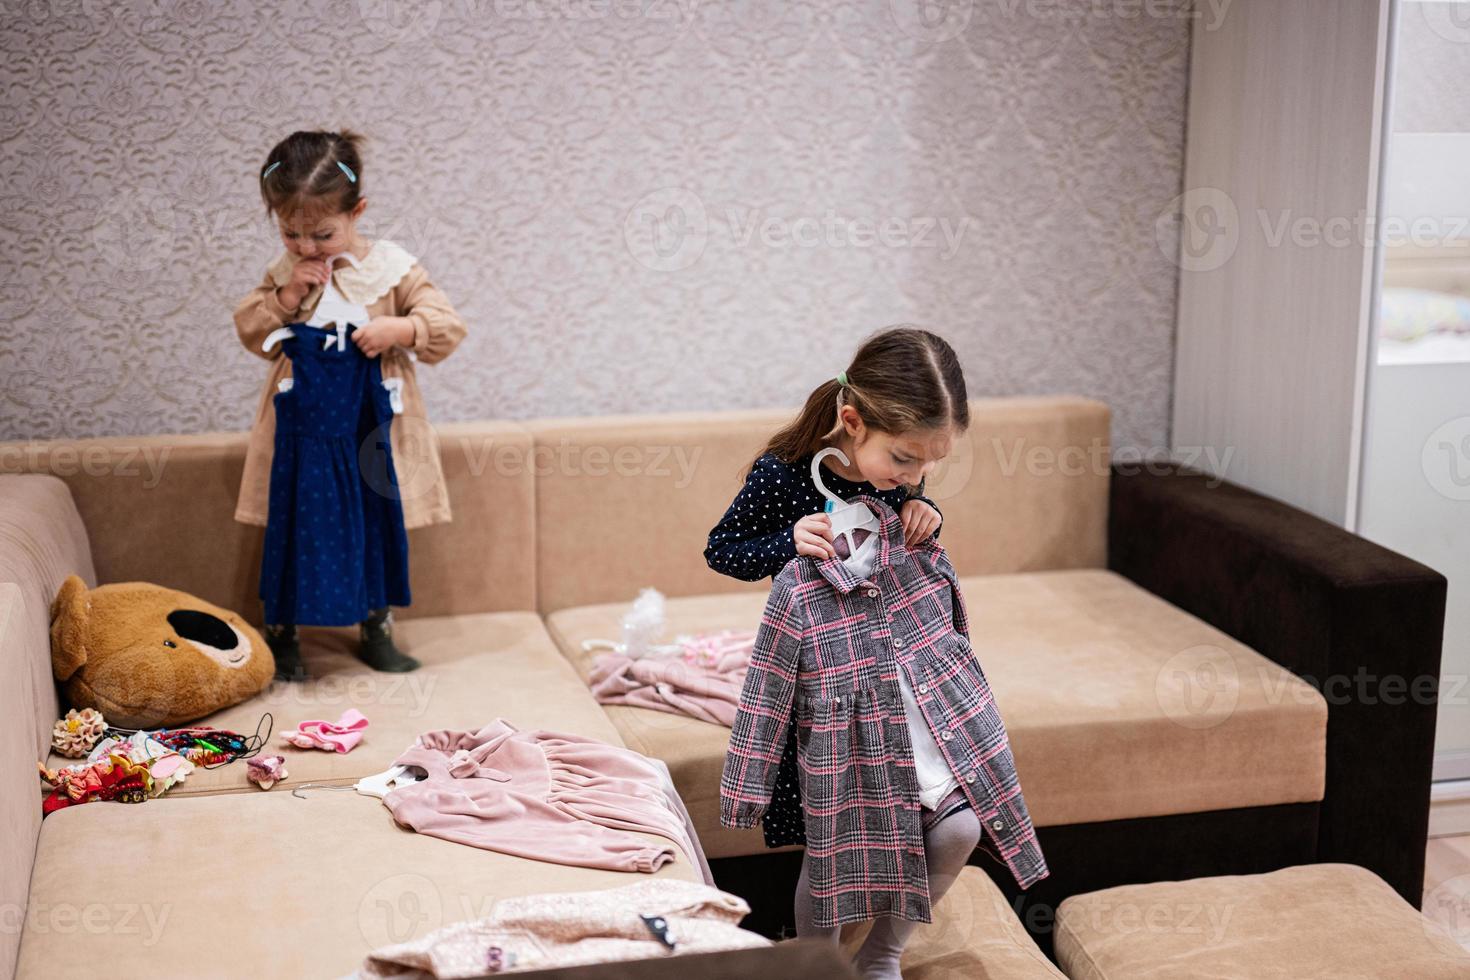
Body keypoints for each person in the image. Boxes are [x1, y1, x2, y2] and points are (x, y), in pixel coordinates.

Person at [707, 326, 982, 978]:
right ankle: (818, 964)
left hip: (895, 677)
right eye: (906, 460)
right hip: (820, 686)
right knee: (836, 846)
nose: (915, 477)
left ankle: (882, 956)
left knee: (958, 828)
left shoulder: (899, 477)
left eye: (929, 466)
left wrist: (925, 513)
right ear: (852, 422)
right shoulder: (783, 477)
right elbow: (725, 551)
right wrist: (787, 541)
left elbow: (895, 532)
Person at [232, 130, 466, 680]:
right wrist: (288, 296)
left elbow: (448, 326)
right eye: (291, 233)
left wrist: (401, 327)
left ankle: (376, 624)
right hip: (302, 425)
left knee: (373, 519)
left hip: (370, 422)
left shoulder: (392, 269)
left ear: (357, 211)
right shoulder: (286, 275)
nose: (308, 246)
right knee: (295, 520)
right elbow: (249, 329)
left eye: (322, 232)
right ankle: (283, 632)